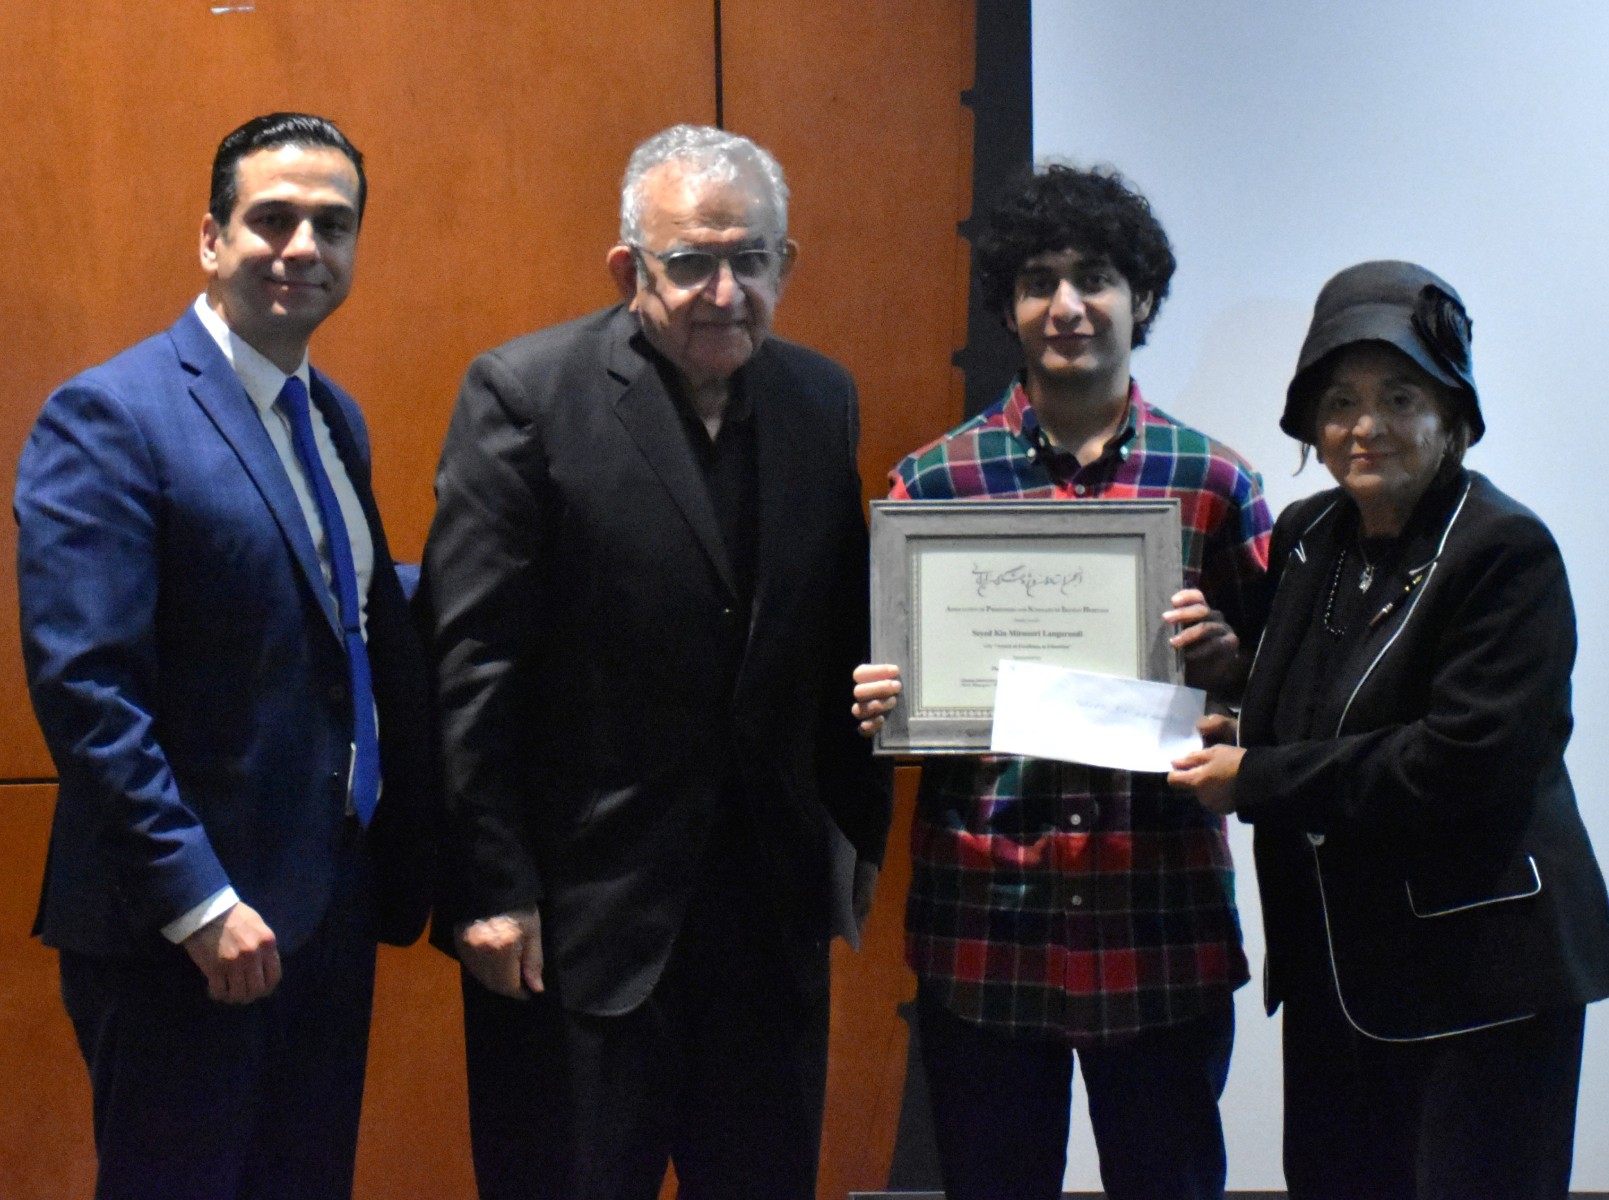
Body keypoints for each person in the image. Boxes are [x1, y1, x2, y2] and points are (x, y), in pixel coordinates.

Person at [421, 123, 892, 1200]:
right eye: (690, 262)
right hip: (578, 929)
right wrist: (490, 889)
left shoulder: (822, 399)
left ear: (786, 264)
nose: (725, 292)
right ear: (627, 269)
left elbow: (837, 632)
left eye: (750, 259)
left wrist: (858, 827)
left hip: (767, 927)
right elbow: (472, 666)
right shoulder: (524, 395)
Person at [13, 113, 435, 1200]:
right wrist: (199, 902)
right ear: (211, 238)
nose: (304, 247)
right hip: (185, 934)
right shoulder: (111, 415)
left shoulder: (331, 416)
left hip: (325, 909)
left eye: (332, 225)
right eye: (272, 219)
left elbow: (332, 600)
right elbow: (88, 690)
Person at [852, 163, 1271, 1200]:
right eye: (1038, 281)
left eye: (1095, 278)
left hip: (1158, 919)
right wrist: (883, 709)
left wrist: (1230, 671)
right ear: (1007, 306)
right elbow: (894, 704)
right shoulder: (931, 485)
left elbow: (1285, 696)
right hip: (986, 924)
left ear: (1143, 299)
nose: (1067, 305)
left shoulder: (1212, 481)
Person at [1167, 259, 1609, 1200]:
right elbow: (1304, 707)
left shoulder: (1503, 551)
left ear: (1452, 415)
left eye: (1398, 397)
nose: (1363, 426)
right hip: (1339, 971)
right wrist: (1229, 686)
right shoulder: (1307, 535)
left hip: (1480, 982)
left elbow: (1457, 763)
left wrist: (1253, 778)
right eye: (1339, 402)